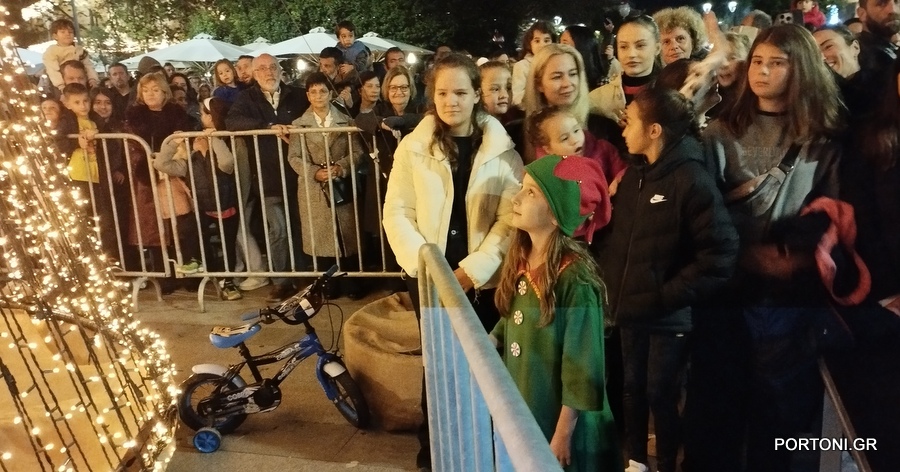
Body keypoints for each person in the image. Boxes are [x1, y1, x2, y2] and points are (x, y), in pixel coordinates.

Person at [684, 24, 843, 472]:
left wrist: (799, 254)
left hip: (789, 299)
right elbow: (702, 210)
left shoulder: (823, 139)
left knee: (782, 416)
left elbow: (832, 209)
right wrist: (744, 256)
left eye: (777, 63)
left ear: (802, 69)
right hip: (728, 294)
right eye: (757, 61)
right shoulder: (720, 133)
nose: (763, 71)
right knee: (720, 410)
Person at [382, 53, 523, 471]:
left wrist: (474, 269)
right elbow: (398, 212)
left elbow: (508, 221)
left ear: (477, 94)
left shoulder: (503, 152)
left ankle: (484, 447)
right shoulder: (413, 149)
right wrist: (428, 267)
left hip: (482, 280)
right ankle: (435, 451)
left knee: (485, 363)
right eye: (442, 93)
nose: (451, 102)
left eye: (460, 92)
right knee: (439, 363)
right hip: (429, 276)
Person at [595, 87, 739, 472]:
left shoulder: (690, 178)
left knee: (661, 394)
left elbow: (720, 253)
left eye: (630, 122)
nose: (623, 130)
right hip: (631, 309)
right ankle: (635, 462)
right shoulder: (634, 176)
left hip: (668, 315)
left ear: (654, 130)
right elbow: (619, 241)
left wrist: (667, 295)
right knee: (632, 390)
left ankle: (667, 464)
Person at [491, 154, 620, 471]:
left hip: (565, 426)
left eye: (531, 192)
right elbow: (513, 317)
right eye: (522, 187)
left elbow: (582, 366)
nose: (516, 197)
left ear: (556, 213)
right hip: (530, 408)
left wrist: (563, 433)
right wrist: (490, 340)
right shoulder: (523, 258)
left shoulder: (575, 279)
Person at [226, 53, 310, 303]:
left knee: (301, 227)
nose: (268, 72)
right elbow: (233, 121)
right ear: (254, 73)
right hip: (267, 176)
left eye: (273, 67)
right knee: (278, 230)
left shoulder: (297, 94)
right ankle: (282, 281)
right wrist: (268, 126)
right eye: (262, 68)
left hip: (298, 174)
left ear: (280, 70)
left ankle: (304, 276)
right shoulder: (246, 98)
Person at [155, 97, 243, 300]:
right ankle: (199, 263)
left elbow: (227, 163)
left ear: (212, 117)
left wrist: (213, 140)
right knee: (192, 231)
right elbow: (161, 164)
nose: (200, 118)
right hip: (203, 207)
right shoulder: (190, 160)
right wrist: (173, 142)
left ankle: (228, 282)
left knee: (228, 246)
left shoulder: (224, 142)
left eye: (203, 114)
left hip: (226, 205)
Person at [523, 44, 626, 183]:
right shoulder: (523, 134)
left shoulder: (604, 128)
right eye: (557, 77)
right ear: (539, 84)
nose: (567, 83)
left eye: (572, 74)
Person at [588, 14, 661, 148]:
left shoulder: (670, 93)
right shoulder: (597, 99)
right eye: (624, 47)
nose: (631, 54)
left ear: (657, 48)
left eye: (640, 46)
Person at [43, 18, 99, 91]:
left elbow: (88, 66)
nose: (67, 34)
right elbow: (53, 70)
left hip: (81, 81)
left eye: (70, 32)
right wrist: (61, 85)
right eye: (63, 32)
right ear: (55, 36)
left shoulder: (79, 50)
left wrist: (93, 79)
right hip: (61, 85)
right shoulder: (52, 52)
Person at [512, 21, 554, 107]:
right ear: (529, 44)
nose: (542, 45)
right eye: (537, 41)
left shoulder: (557, 64)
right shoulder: (522, 66)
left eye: (546, 40)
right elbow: (517, 98)